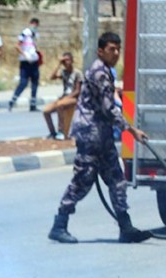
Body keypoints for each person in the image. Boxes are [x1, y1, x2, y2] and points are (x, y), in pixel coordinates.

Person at [48, 32, 152, 245]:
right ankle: (59, 225)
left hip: (102, 135)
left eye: (118, 49)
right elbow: (108, 108)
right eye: (112, 49)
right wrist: (132, 131)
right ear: (101, 51)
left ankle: (126, 227)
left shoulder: (106, 71)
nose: (116, 53)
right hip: (90, 135)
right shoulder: (99, 73)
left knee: (116, 180)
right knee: (83, 181)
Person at [43, 51, 81, 139]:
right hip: (64, 97)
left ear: (72, 61)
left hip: (73, 98)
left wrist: (66, 98)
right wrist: (59, 64)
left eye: (68, 60)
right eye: (64, 61)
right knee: (46, 111)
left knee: (60, 105)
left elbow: (78, 91)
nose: (66, 62)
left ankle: (61, 131)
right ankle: (52, 132)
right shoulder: (64, 72)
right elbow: (51, 77)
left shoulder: (77, 73)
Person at [9, 17, 40, 112]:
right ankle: (12, 101)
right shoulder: (25, 33)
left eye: (36, 24)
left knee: (35, 83)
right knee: (23, 82)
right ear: (31, 23)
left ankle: (33, 105)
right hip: (25, 62)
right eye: (33, 24)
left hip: (34, 62)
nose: (35, 26)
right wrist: (25, 55)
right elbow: (17, 45)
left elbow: (34, 47)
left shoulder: (36, 35)